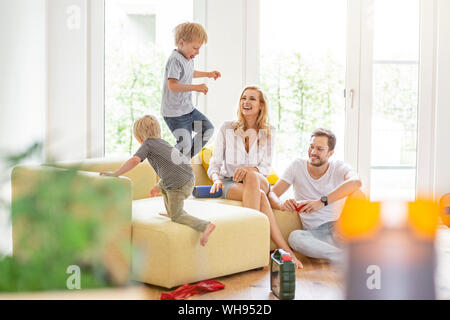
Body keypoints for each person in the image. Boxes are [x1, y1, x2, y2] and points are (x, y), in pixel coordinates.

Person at [207, 86, 303, 269]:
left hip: (259, 179)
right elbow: (215, 163)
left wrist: (250, 169)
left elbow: (265, 167)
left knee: (253, 177)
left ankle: (248, 243)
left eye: (252, 99)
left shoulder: (269, 131)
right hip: (231, 182)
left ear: (261, 105)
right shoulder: (227, 128)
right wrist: (216, 179)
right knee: (258, 196)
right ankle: (286, 252)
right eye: (243, 98)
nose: (246, 102)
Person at [100, 115, 215, 246]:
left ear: (139, 138)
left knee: (177, 216)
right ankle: (172, 210)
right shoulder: (162, 142)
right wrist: (158, 186)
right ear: (158, 131)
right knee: (165, 187)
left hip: (179, 183)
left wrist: (116, 173)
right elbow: (171, 168)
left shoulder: (147, 144)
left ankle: (205, 225)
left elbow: (134, 160)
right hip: (187, 177)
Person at [269, 128, 363, 264]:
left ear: (330, 153)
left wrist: (321, 202)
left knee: (359, 193)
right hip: (315, 233)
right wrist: (281, 205)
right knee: (295, 238)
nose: (313, 152)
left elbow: (356, 182)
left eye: (319, 149)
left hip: (340, 229)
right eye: (311, 147)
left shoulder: (338, 167)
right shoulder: (297, 166)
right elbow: (272, 193)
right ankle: (347, 258)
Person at [162, 22, 221, 159]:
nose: (197, 52)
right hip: (174, 113)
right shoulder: (174, 60)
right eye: (195, 48)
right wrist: (196, 87)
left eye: (199, 48)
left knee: (208, 129)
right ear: (181, 43)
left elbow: (190, 73)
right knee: (185, 144)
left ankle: (185, 160)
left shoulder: (188, 58)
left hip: (188, 110)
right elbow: (173, 85)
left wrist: (208, 74)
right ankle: (170, 162)